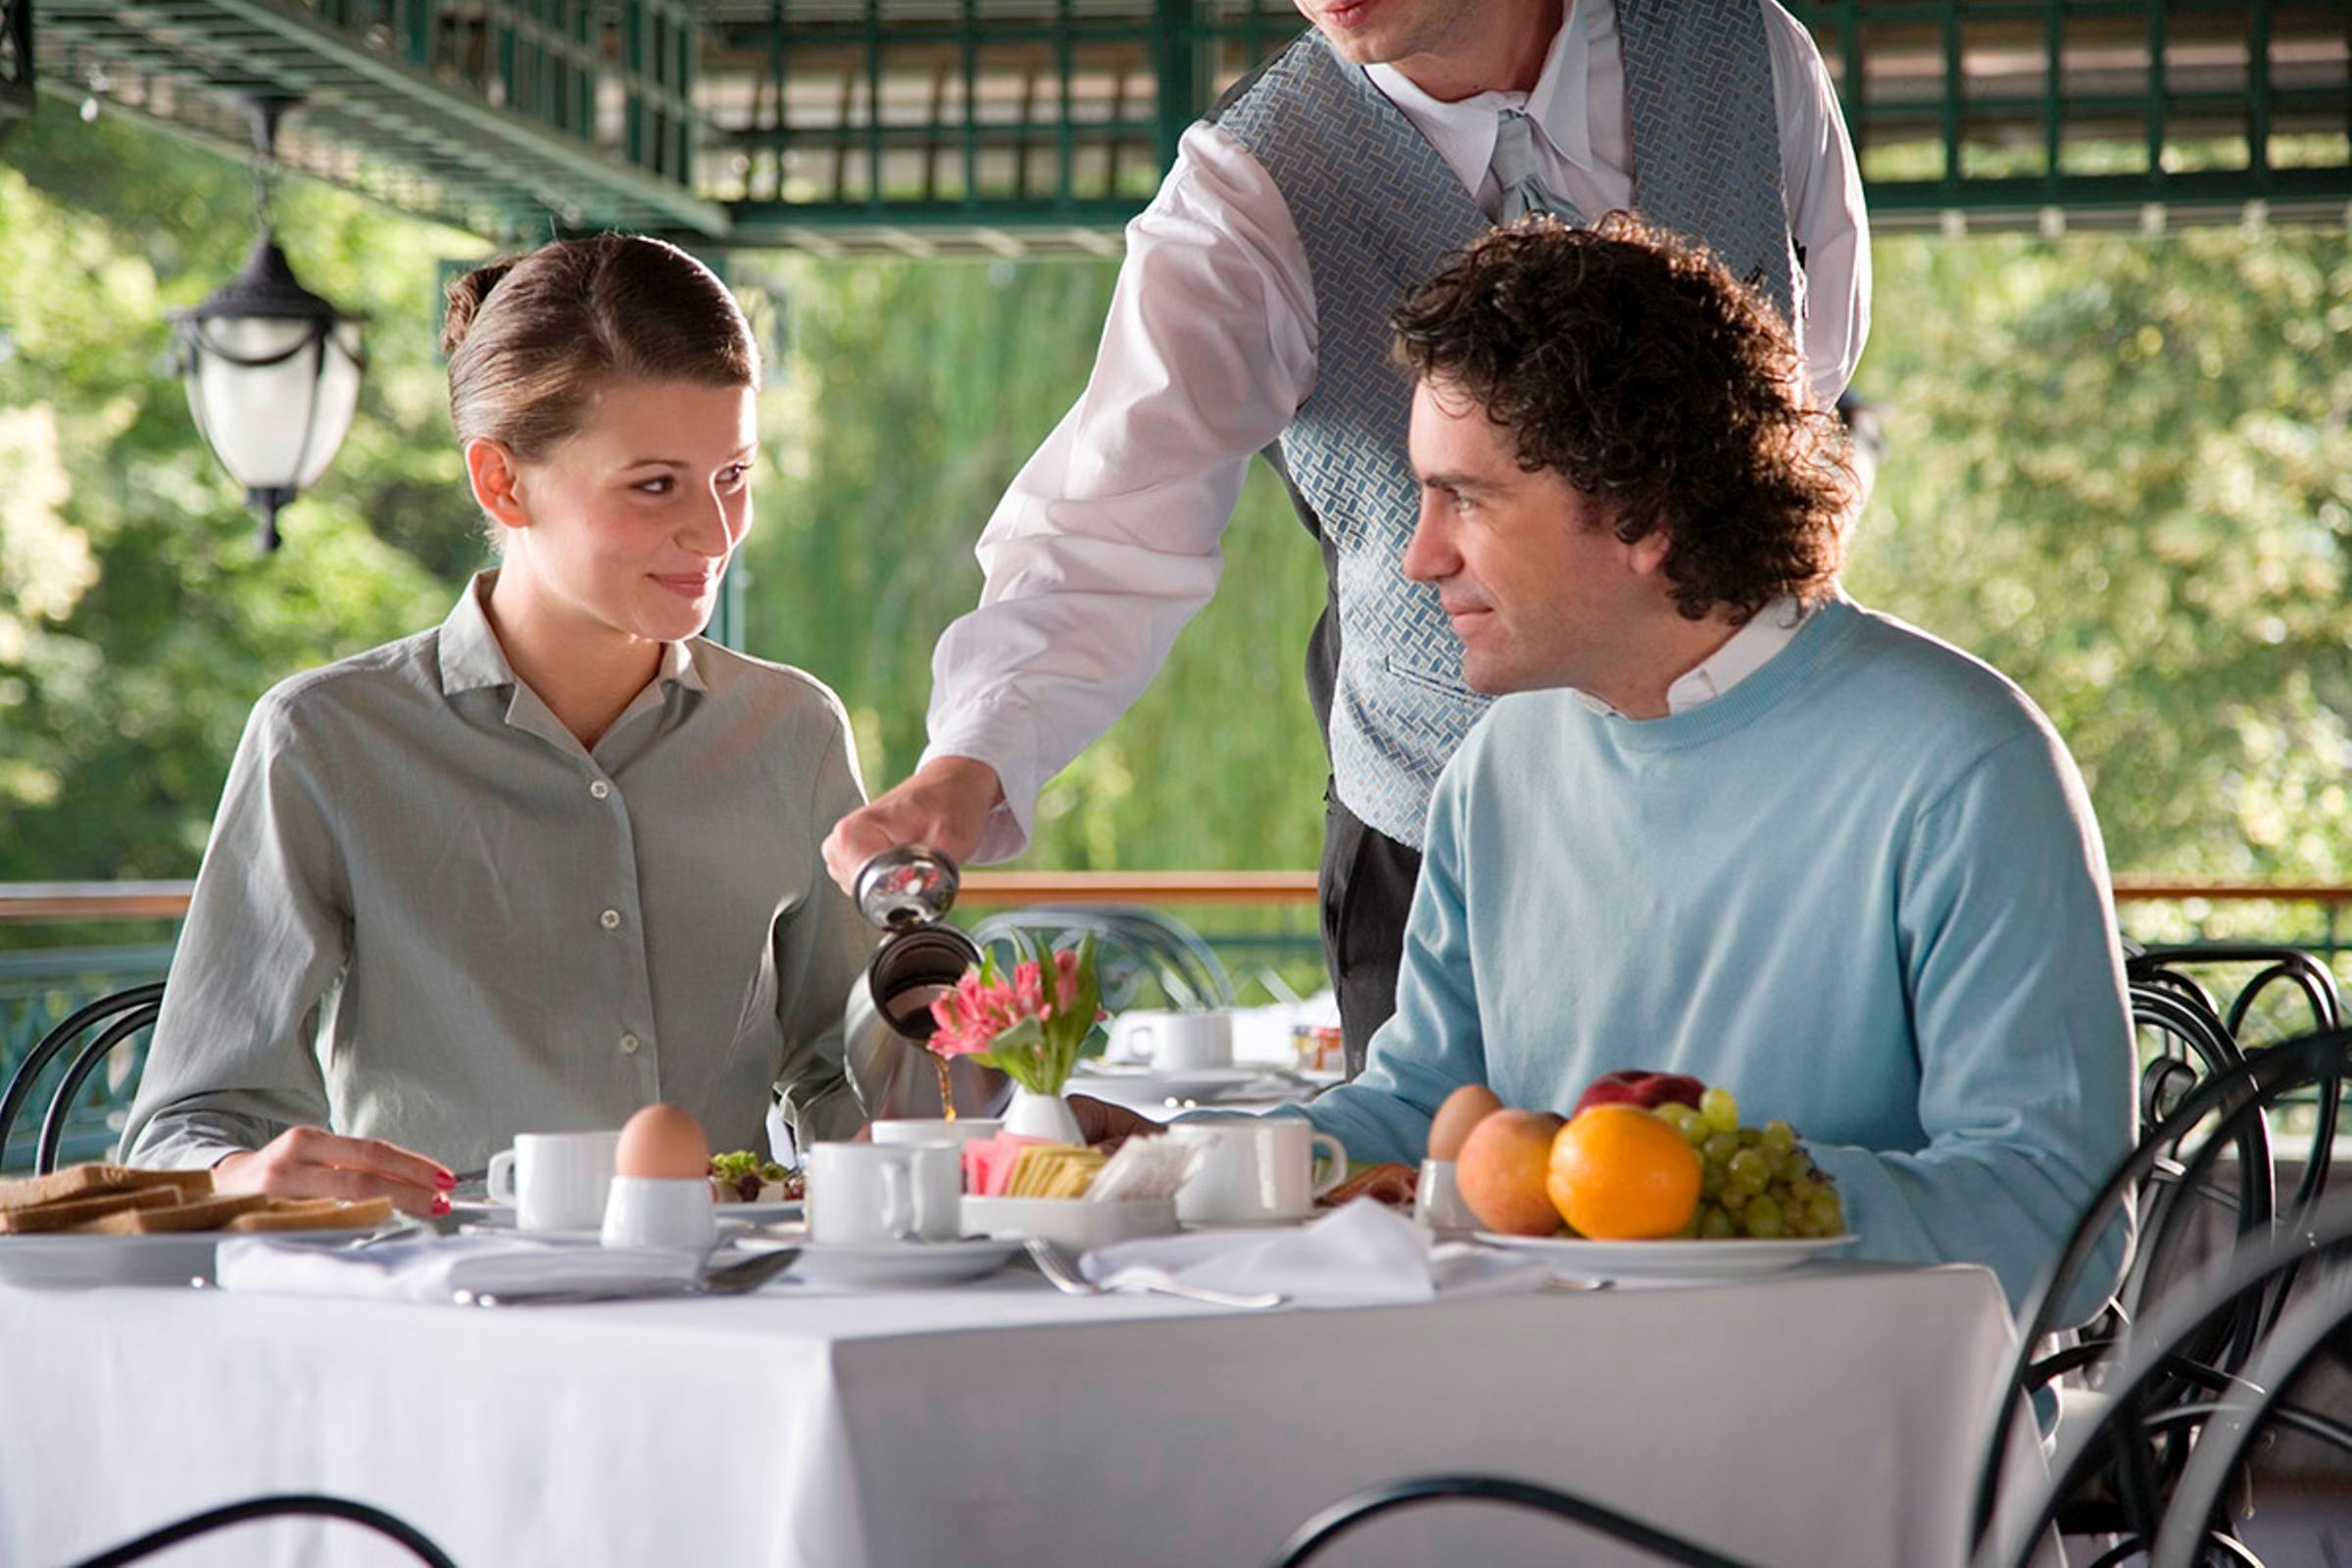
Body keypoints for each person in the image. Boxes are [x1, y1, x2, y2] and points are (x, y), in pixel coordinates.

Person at [1082, 216, 2134, 1312]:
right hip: (1540, 1409)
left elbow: (2057, 1218)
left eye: (1468, 499)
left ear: (1641, 510)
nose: (1418, 553)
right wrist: (1178, 1162)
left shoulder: (1965, 763)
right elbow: (1421, 1106)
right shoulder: (1497, 767)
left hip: (1854, 1448)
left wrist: (1666, 1200)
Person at [824, 0, 1872, 1075]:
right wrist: (970, 760)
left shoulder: (1746, 53)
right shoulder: (1250, 185)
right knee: (1434, 1205)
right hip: (1429, 845)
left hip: (1761, 809)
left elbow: (1800, 390)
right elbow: (1111, 521)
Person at [120, 233, 873, 1214]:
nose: (716, 530)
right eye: (656, 484)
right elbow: (190, 1120)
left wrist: (1016, 1121)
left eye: (733, 474)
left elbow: (851, 1072)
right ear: (501, 482)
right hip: (436, 1315)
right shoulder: (326, 741)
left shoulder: (792, 730)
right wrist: (241, 1172)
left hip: (731, 1303)